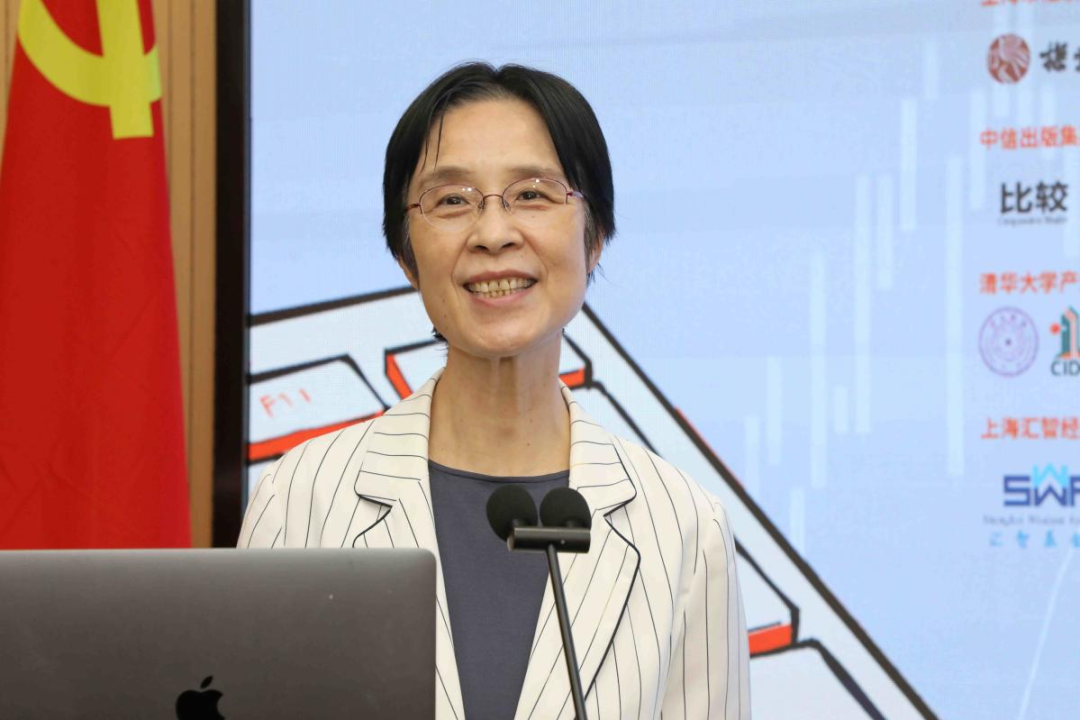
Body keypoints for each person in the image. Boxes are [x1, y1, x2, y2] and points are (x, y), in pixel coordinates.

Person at [239, 62, 750, 720]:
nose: (493, 233)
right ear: (405, 254)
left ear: (594, 237)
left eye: (532, 194)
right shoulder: (302, 498)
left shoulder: (684, 527)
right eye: (452, 201)